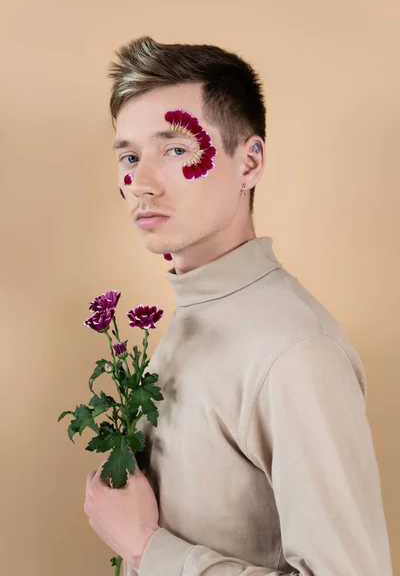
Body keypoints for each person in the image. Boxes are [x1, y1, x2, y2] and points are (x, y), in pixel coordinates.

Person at [84, 36, 393, 576]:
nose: (143, 184)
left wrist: (146, 548)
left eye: (176, 149)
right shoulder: (199, 315)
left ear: (249, 163)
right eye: (130, 157)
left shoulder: (297, 352)